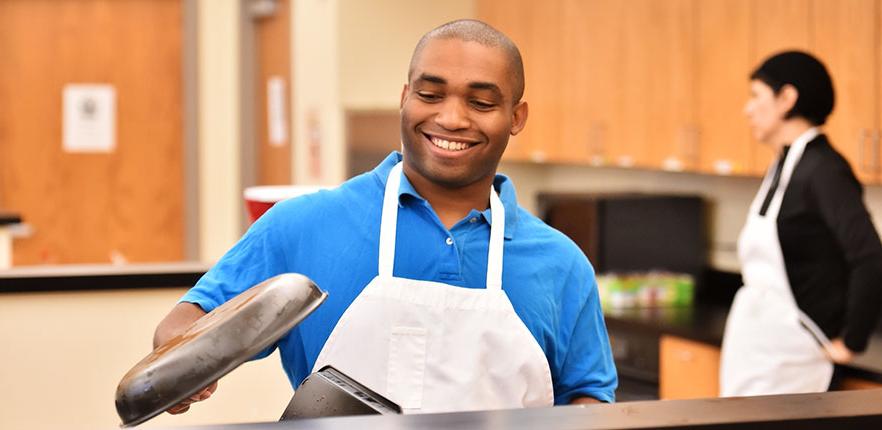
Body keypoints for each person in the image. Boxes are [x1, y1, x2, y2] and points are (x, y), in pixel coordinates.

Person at [153, 19, 617, 415]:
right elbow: (188, 321)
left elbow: (589, 399)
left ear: (516, 117)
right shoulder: (302, 227)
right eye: (431, 93)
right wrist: (182, 364)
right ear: (404, 97)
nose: (452, 118)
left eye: (481, 103)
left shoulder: (560, 264)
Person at [719, 50, 882, 397]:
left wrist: (851, 341)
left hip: (794, 360)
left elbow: (869, 256)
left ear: (787, 99)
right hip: (760, 351)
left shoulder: (823, 170)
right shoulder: (786, 164)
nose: (747, 109)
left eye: (756, 96)